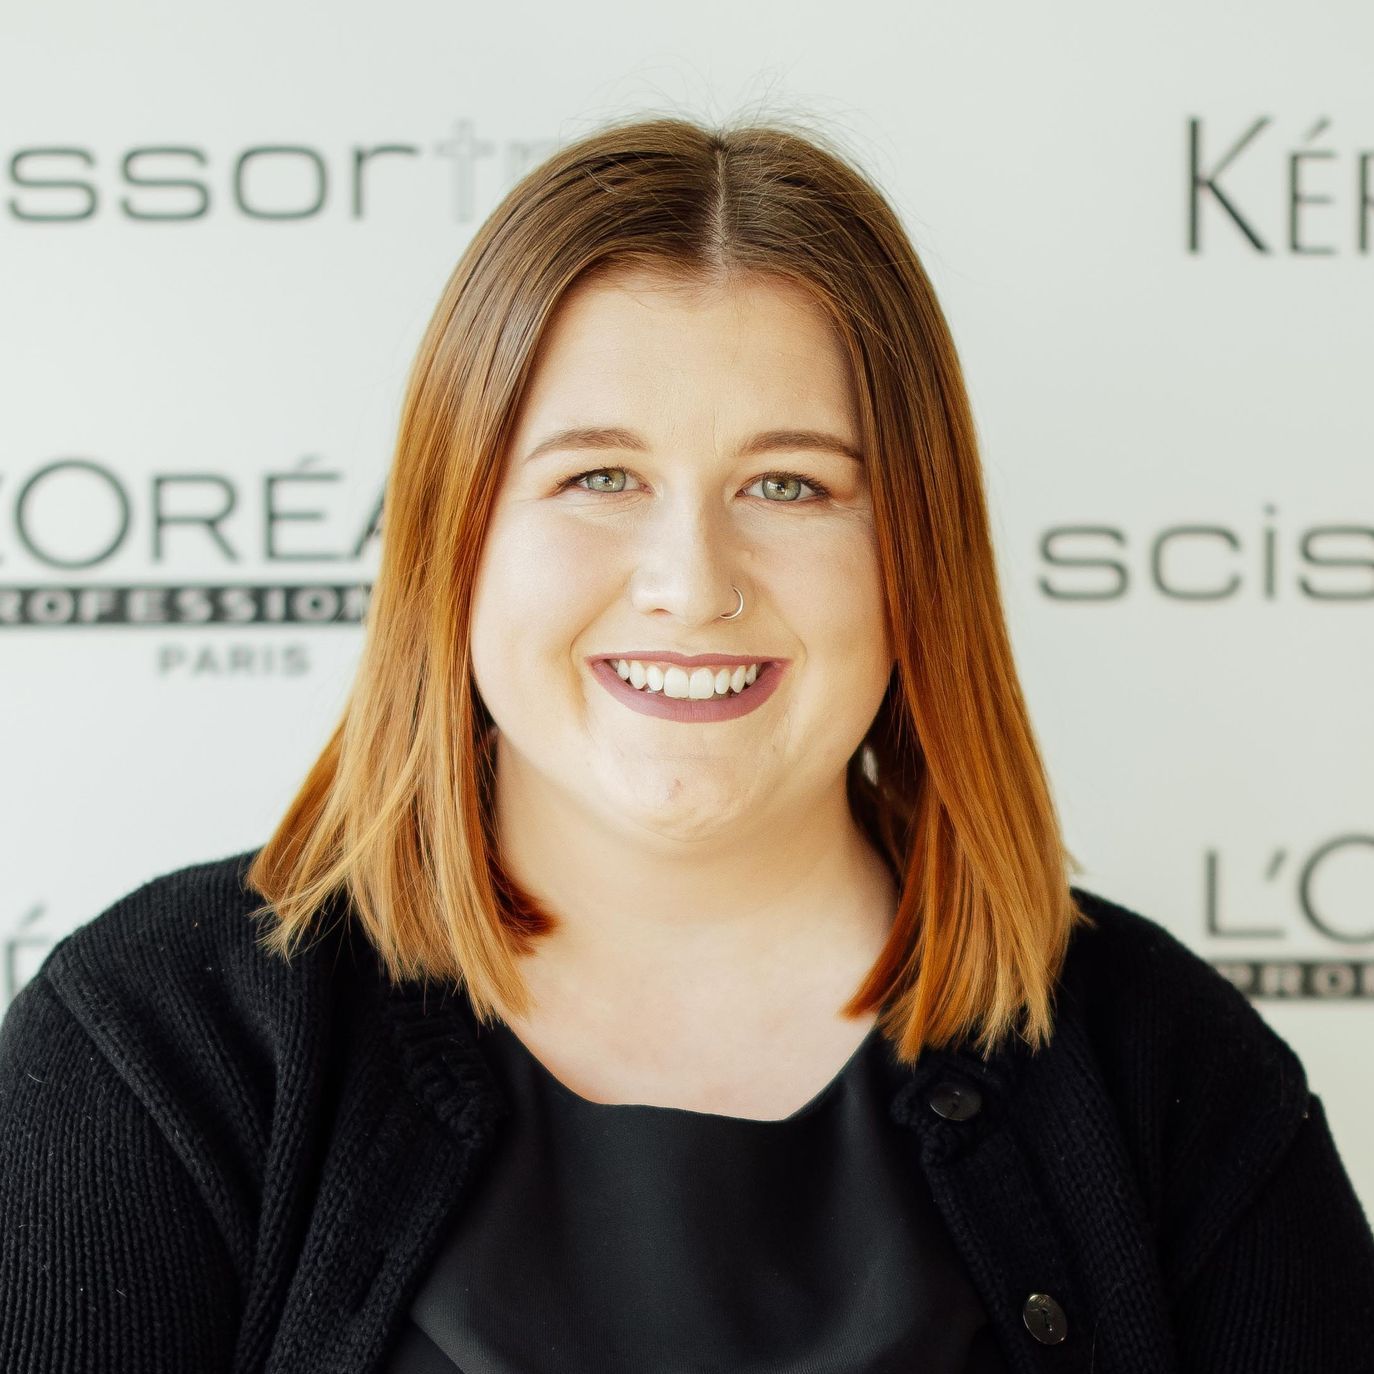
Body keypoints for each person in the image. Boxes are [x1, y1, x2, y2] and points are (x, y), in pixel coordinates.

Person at [1, 112, 1371, 1374]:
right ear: (453, 535)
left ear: (914, 552)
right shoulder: (157, 1039)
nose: (691, 578)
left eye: (789, 483)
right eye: (598, 475)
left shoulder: (1168, 1067)